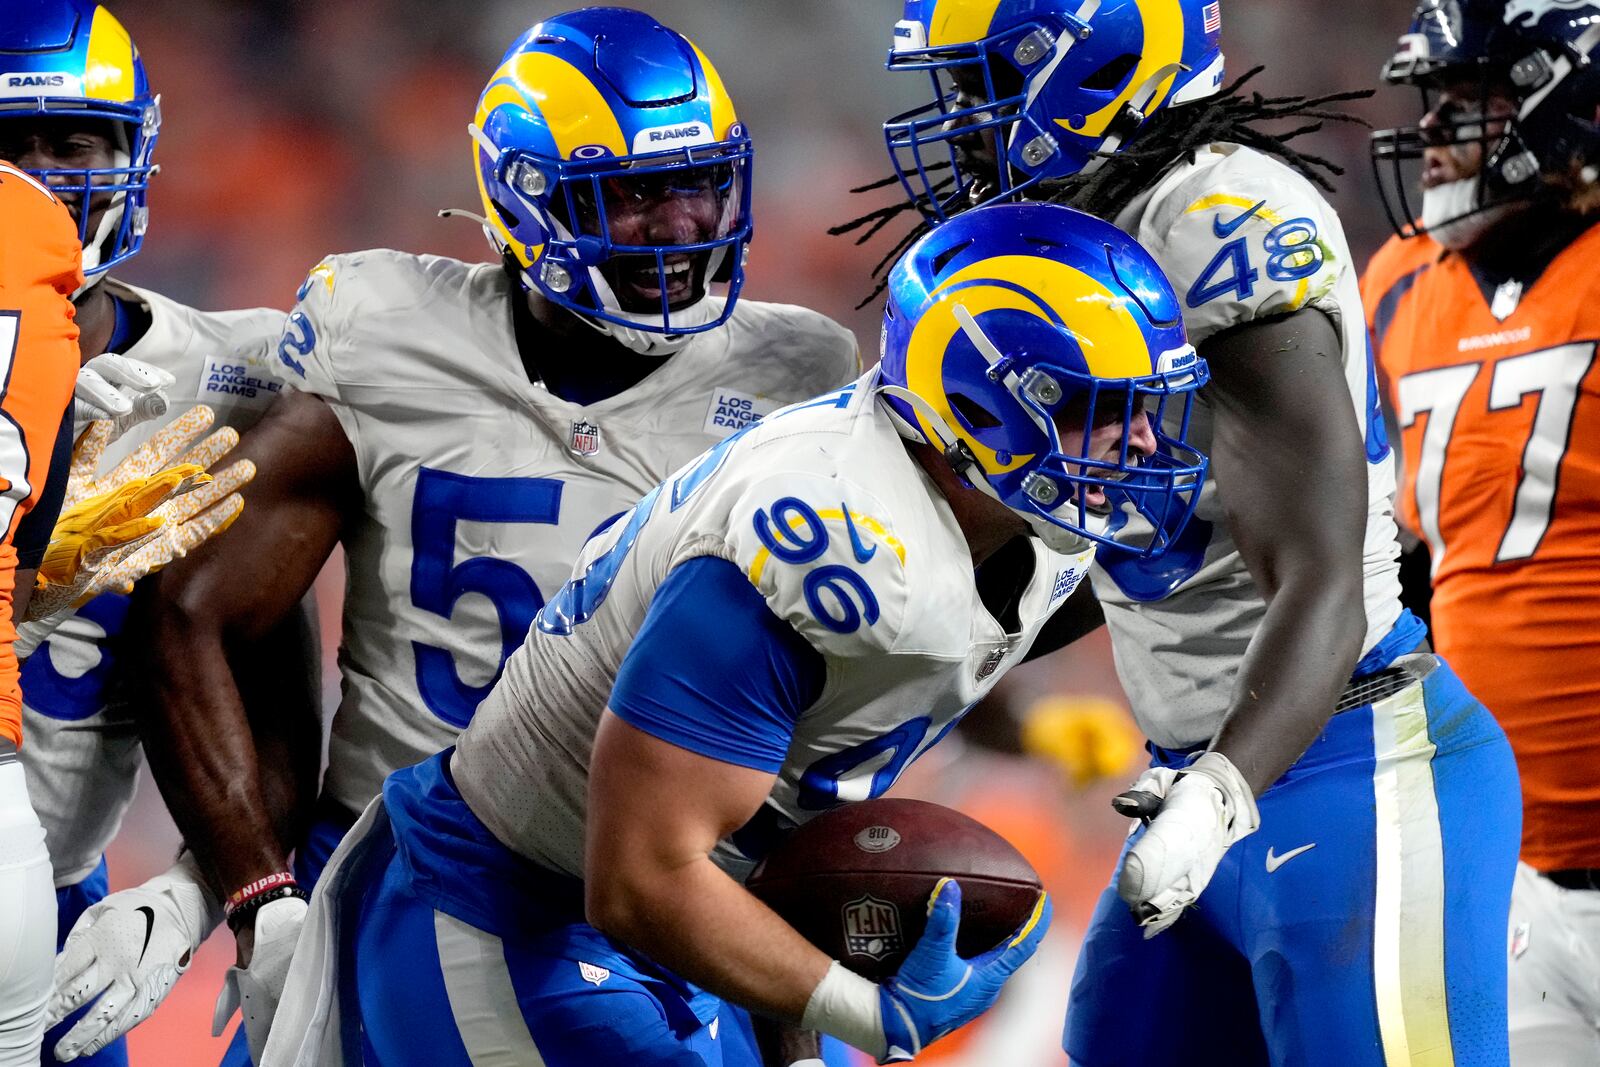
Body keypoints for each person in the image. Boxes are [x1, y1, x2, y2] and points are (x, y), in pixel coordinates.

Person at [259, 199, 1210, 1067]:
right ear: (979, 402)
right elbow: (640, 876)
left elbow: (781, 808)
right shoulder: (826, 540)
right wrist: (868, 1017)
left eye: (1141, 407)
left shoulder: (1024, 524)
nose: (1137, 443)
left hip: (682, 913)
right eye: (1096, 408)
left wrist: (797, 1050)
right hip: (509, 907)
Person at [105, 9, 860, 1062]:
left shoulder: (794, 374)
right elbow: (195, 609)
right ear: (526, 200)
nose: (682, 225)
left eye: (699, 183)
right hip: (401, 873)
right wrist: (250, 889)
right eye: (636, 194)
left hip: (658, 904)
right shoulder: (389, 330)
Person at [876, 2, 1523, 1064]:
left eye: (983, 80)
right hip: (1188, 779)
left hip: (1349, 770)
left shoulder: (1216, 218)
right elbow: (1116, 541)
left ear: (1100, 64)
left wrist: (1221, 790)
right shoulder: (1081, 228)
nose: (962, 121)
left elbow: (1322, 575)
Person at [0, 4, 288, 1064]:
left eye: (70, 141)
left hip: (67, 897)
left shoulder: (233, 374)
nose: (38, 179)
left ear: (133, 149)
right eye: (6, 147)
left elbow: (293, 691)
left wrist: (198, 886)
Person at [1365, 2, 1600, 1063]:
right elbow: (1394, 560)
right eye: (1437, 101)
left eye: (1472, 101)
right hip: (1501, 868)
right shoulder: (1401, 283)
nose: (1434, 131)